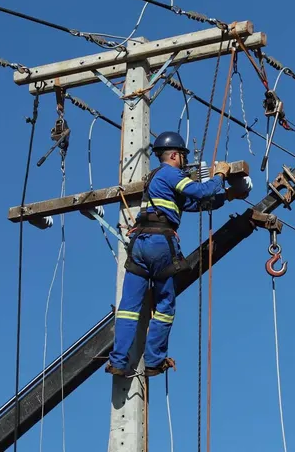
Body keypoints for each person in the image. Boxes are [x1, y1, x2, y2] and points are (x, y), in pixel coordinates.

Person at [106, 131, 249, 377]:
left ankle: (118, 361)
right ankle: (153, 362)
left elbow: (195, 204)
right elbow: (201, 192)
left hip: (140, 244)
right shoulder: (170, 173)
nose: (185, 162)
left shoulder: (157, 181)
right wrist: (219, 175)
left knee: (129, 307)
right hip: (160, 244)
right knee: (164, 305)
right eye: (182, 156)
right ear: (174, 155)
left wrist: (227, 195)